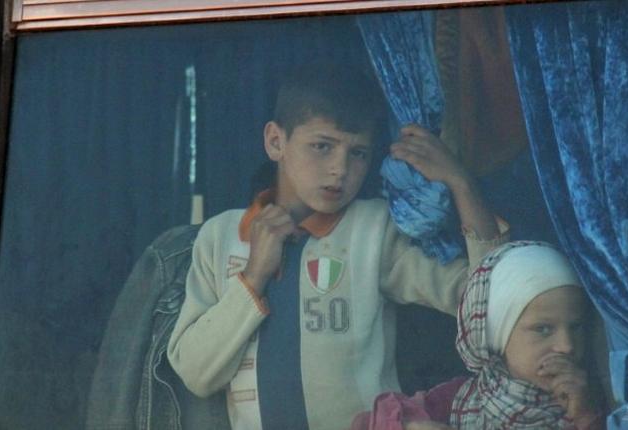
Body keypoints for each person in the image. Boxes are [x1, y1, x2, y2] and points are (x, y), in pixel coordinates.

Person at [166, 61, 508, 430]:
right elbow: (196, 375)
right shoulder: (219, 237)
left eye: (357, 153)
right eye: (322, 146)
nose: (339, 169)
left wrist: (461, 185)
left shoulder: (374, 230)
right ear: (275, 141)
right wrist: (252, 278)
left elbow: (487, 303)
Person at [351, 241, 606, 430]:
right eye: (543, 329)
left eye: (576, 327)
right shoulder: (459, 399)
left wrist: (586, 416)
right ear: (497, 332)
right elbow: (368, 423)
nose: (566, 346)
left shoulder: (603, 393)